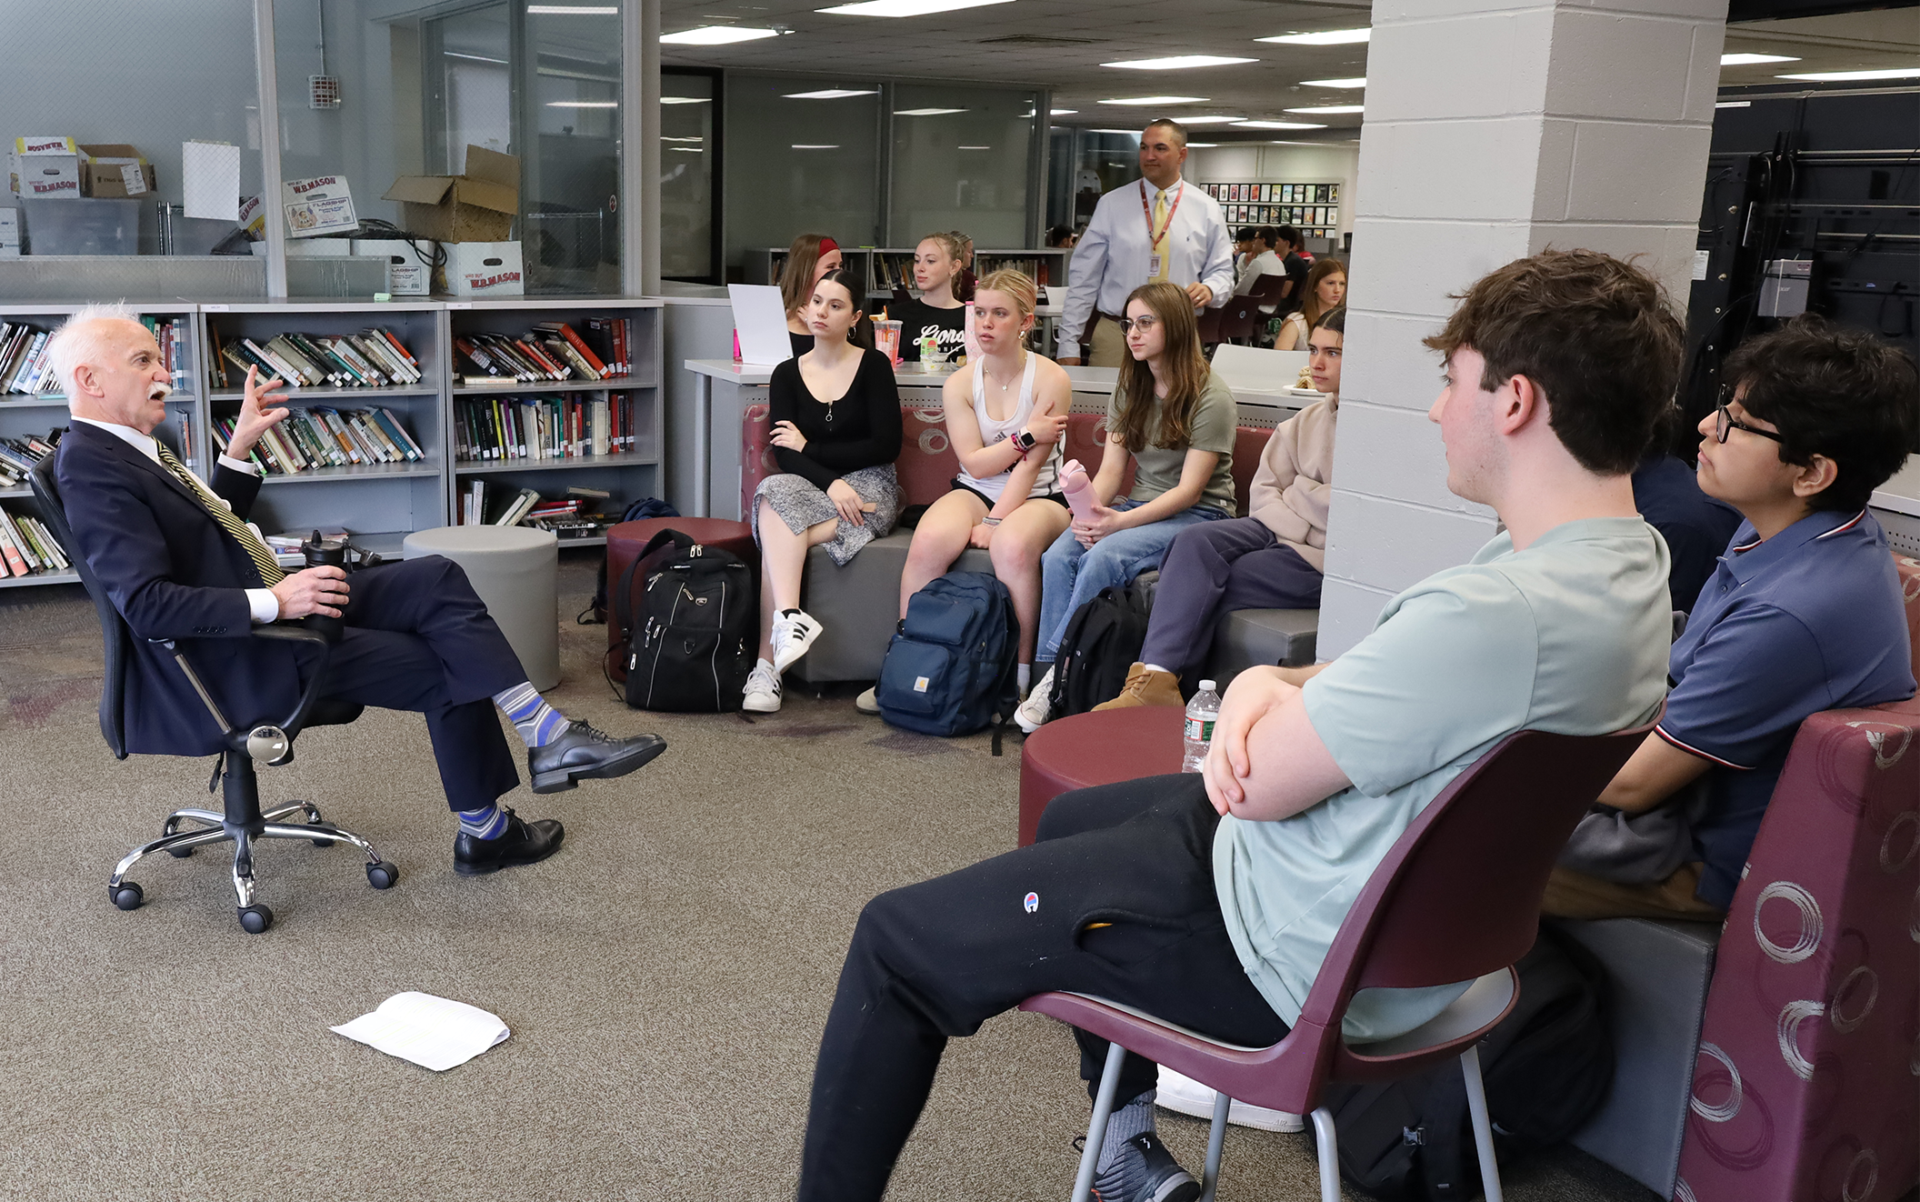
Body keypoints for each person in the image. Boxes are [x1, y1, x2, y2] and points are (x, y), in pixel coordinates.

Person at [795, 249, 1675, 1202]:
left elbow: (1255, 782)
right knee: (1072, 819)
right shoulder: (1626, 568)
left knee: (895, 943)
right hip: (1409, 939)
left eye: (1453, 382)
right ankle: (1124, 1148)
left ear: (1516, 402)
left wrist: (1256, 690)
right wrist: (1274, 682)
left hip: (1282, 942)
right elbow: (1374, 675)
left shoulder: (1495, 614)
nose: (1435, 410)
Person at [48, 307, 666, 875]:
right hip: (238, 654)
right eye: (143, 361)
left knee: (436, 578)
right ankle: (490, 828)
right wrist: (279, 601)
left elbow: (200, 537)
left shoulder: (127, 449)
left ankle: (544, 735)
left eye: (159, 359)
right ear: (90, 380)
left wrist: (238, 452)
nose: (162, 373)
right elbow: (147, 604)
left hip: (268, 607)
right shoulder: (93, 466)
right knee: (451, 658)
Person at [1548, 314, 1920, 922]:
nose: (1705, 425)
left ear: (1811, 472)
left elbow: (1632, 785)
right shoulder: (1798, 527)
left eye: (1736, 424)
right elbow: (1686, 653)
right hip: (1679, 787)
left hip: (1699, 853)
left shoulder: (1792, 612)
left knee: (1442, 839)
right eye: (1725, 406)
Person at [1017, 279, 1238, 732]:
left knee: (1105, 556)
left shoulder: (1211, 396)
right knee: (1059, 554)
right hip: (1138, 505)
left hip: (1202, 515)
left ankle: (1059, 677)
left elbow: (1189, 492)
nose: (1132, 333)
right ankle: (1049, 675)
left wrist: (1116, 524)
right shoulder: (1131, 385)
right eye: (1128, 324)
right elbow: (1111, 473)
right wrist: (1089, 515)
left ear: (1175, 326)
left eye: (1145, 323)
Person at [1097, 306, 1345, 710]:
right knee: (1192, 543)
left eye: (1332, 353)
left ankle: (1163, 688)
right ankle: (1160, 684)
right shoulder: (1304, 421)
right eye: (1313, 349)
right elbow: (1264, 491)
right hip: (1273, 528)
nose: (1316, 362)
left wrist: (1297, 494)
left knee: (1211, 582)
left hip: (1318, 555)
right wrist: (1305, 500)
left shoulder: (1377, 430)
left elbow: (1347, 513)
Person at [856, 271, 1074, 714]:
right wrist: (1025, 435)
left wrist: (995, 520)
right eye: (980, 313)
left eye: (1000, 314)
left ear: (1025, 322)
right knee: (929, 539)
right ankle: (904, 663)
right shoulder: (960, 382)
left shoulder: (1051, 378)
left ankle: (1018, 681)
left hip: (1041, 495)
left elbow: (1030, 468)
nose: (986, 324)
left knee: (1012, 547)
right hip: (976, 487)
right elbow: (974, 463)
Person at [745, 269, 905, 713]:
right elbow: (784, 455)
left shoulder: (873, 366)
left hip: (870, 486)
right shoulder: (786, 373)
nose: (822, 312)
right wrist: (830, 480)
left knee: (777, 538)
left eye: (835, 305)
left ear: (854, 317)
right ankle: (789, 620)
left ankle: (766, 668)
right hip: (817, 485)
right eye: (817, 301)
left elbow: (885, 445)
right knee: (773, 492)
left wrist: (812, 449)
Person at [1059, 119, 1234, 368]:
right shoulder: (1112, 205)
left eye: (1160, 148)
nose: (1149, 156)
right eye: (1144, 148)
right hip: (1119, 334)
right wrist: (1068, 343)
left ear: (1182, 154)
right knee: (1111, 395)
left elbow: (1223, 272)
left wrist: (1211, 289)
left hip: (1179, 334)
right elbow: (1083, 279)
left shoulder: (1206, 208)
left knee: (1180, 395)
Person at [891, 232, 969, 365]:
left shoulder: (972, 317)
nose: (920, 268)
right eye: (917, 260)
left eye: (930, 261)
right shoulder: (896, 316)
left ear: (954, 267)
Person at [779, 233, 844, 356]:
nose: (839, 272)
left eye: (840, 266)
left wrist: (815, 327)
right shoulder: (777, 313)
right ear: (807, 270)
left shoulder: (847, 309)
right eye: (830, 267)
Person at [1273, 256, 1346, 351]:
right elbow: (1279, 357)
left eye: (1342, 284)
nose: (1337, 290)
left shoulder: (1347, 322)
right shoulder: (1298, 323)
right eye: (1330, 283)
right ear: (1315, 286)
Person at [1231, 226, 1284, 316]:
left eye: (1255, 238)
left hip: (1252, 310)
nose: (1253, 242)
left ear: (1263, 240)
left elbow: (1241, 291)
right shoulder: (1279, 263)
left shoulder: (1258, 263)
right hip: (1272, 310)